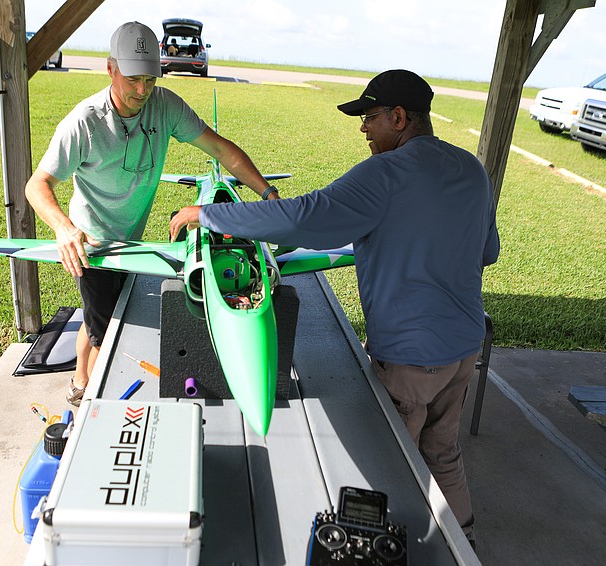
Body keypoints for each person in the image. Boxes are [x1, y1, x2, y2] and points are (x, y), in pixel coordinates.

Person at [169, 69, 499, 546]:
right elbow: (487, 251)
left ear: (399, 117)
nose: (363, 128)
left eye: (370, 117)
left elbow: (305, 219)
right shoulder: (471, 169)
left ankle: (396, 548)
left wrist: (210, 214)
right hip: (465, 349)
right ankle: (465, 543)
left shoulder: (386, 174)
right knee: (443, 450)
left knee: (394, 463)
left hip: (411, 357)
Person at [25, 21, 278, 407]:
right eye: (133, 80)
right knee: (106, 331)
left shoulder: (165, 106)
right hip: (92, 242)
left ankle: (78, 378)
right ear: (110, 69)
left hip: (133, 238)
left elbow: (221, 150)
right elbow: (37, 185)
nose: (142, 91)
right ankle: (90, 399)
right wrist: (63, 228)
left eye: (150, 79)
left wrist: (268, 193)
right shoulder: (84, 122)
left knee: (100, 315)